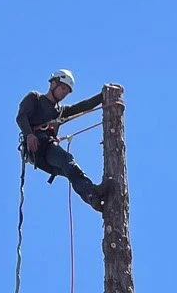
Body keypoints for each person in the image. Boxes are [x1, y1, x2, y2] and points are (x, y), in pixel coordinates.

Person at [16, 70, 110, 210]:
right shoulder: (35, 98)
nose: (64, 93)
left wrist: (104, 96)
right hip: (37, 147)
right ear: (53, 83)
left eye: (67, 91)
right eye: (63, 88)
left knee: (70, 169)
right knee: (68, 161)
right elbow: (21, 117)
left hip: (47, 154)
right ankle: (93, 193)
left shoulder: (60, 111)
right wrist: (29, 134)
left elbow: (82, 106)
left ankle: (93, 198)